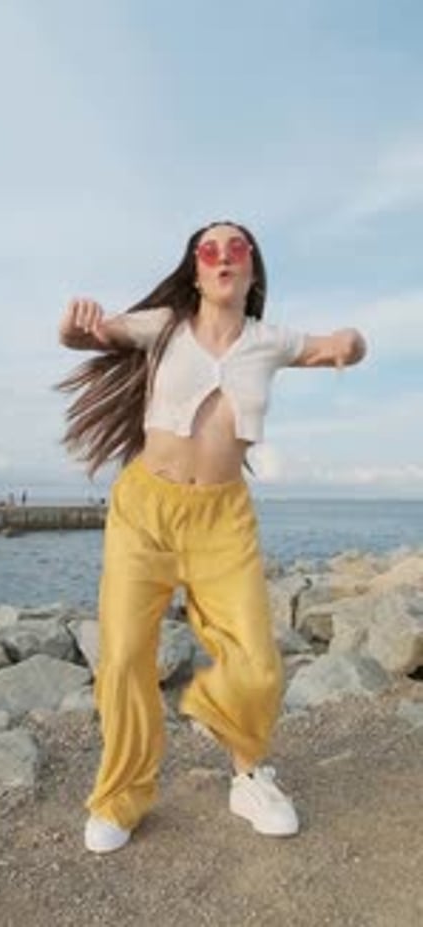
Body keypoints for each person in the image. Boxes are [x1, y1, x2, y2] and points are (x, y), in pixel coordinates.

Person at [58, 220, 367, 855]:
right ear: (196, 270)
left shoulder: (269, 341)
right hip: (145, 512)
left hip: (223, 520)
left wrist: (351, 342)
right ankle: (121, 794)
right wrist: (74, 324)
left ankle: (249, 777)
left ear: (251, 271)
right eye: (210, 250)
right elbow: (87, 335)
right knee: (121, 657)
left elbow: (335, 347)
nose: (223, 257)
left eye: (237, 249)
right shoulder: (163, 326)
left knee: (255, 660)